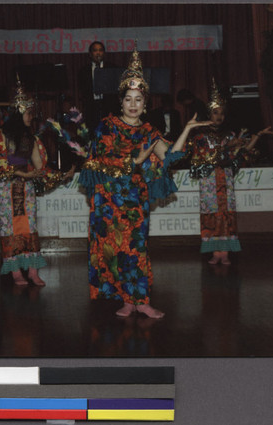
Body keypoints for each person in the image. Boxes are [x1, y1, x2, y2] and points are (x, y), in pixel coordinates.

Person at [79, 44, 211, 319]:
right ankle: (127, 301)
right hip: (109, 201)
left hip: (135, 199)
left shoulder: (150, 131)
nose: (133, 104)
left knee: (136, 247)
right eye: (128, 99)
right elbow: (97, 160)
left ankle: (140, 300)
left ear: (145, 103)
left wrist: (186, 129)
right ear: (121, 101)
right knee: (114, 249)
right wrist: (134, 162)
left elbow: (170, 156)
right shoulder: (108, 125)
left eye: (138, 99)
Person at [0, 78, 75, 286]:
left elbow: (40, 167)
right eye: (27, 113)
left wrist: (61, 175)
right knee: (10, 229)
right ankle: (15, 271)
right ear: (18, 113)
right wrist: (22, 175)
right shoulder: (2, 135)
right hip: (7, 189)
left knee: (30, 227)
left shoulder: (31, 138)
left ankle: (32, 271)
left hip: (26, 190)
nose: (30, 117)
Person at [186, 78, 273, 265]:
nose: (219, 116)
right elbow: (207, 158)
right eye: (215, 112)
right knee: (211, 214)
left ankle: (225, 252)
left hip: (225, 181)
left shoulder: (229, 135)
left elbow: (242, 153)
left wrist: (257, 136)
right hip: (210, 182)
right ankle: (214, 251)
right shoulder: (200, 137)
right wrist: (227, 147)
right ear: (208, 113)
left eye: (222, 113)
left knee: (226, 215)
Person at [78, 41, 120, 136]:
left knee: (110, 136)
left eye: (100, 50)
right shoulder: (83, 71)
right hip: (91, 109)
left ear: (104, 53)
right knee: (93, 136)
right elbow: (83, 92)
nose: (98, 53)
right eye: (95, 50)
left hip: (109, 109)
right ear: (90, 54)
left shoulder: (112, 68)